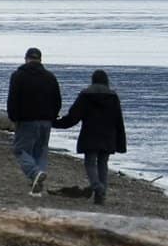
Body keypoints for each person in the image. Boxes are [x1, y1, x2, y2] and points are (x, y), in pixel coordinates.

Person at [54, 69, 127, 205]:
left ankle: (97, 187)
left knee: (90, 163)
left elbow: (73, 117)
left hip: (90, 135)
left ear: (93, 80)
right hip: (108, 136)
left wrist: (56, 123)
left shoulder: (85, 95)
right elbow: (119, 121)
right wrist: (121, 144)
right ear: (106, 81)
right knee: (103, 165)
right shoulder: (113, 97)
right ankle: (101, 195)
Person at [7, 46, 61, 196]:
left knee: (21, 150)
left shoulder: (18, 76)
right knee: (41, 152)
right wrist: (53, 116)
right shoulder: (50, 77)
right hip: (46, 121)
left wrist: (13, 117)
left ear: (26, 59)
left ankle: (34, 173)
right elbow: (57, 100)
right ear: (40, 60)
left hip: (26, 120)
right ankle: (37, 183)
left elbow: (13, 99)